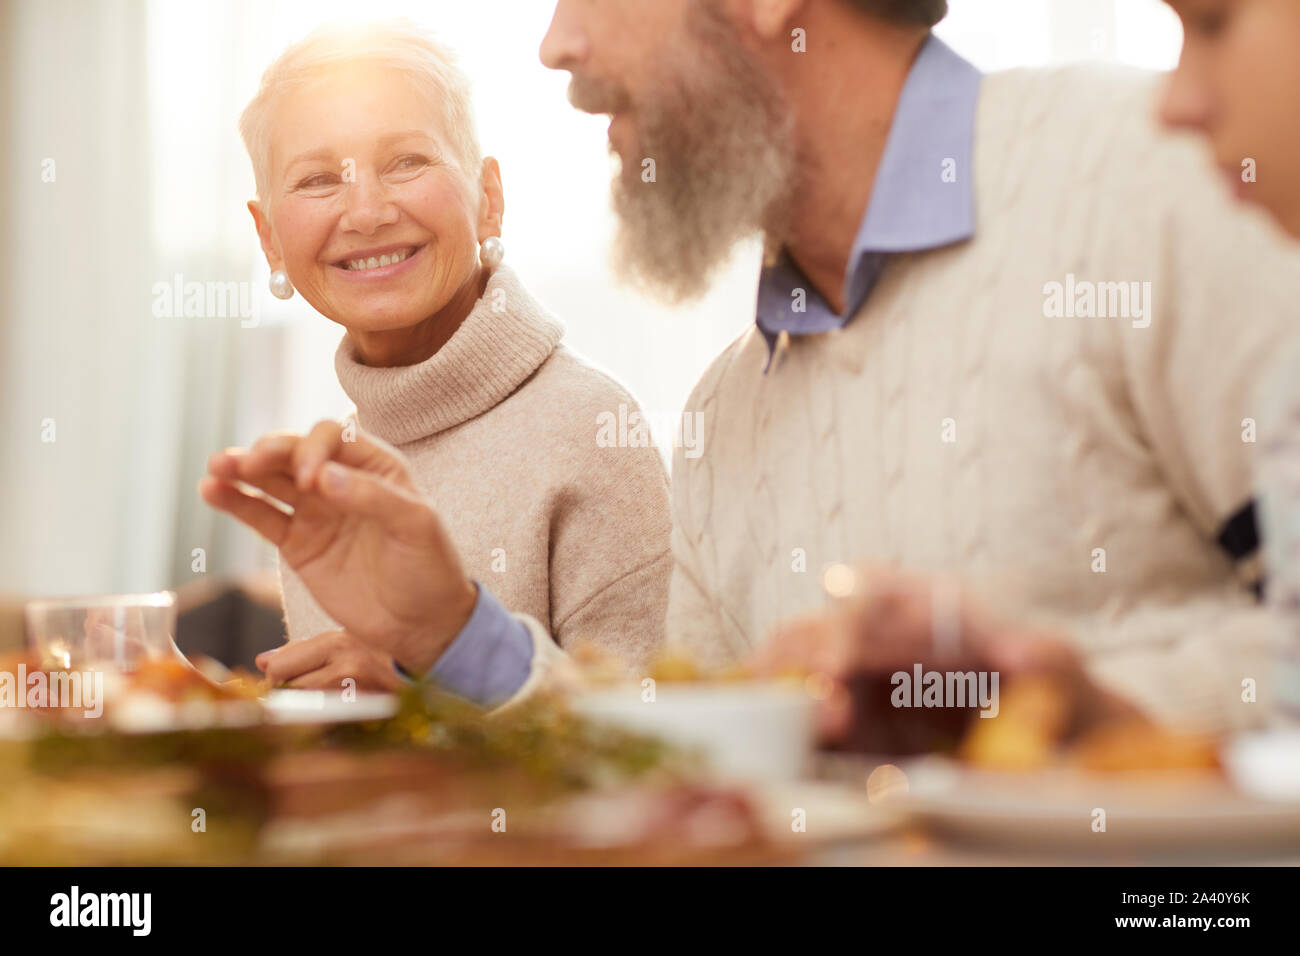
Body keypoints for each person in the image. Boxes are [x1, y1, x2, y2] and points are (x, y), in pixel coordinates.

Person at [545, 0, 1300, 736]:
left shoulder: (1157, 172)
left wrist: (1071, 715)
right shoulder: (719, 422)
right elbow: (709, 783)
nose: (557, 43)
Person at [200, 21, 671, 705]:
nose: (366, 212)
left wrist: (418, 698)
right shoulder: (332, 475)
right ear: (269, 238)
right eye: (318, 178)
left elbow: (659, 756)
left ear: (489, 198)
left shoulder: (592, 428)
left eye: (405, 162)